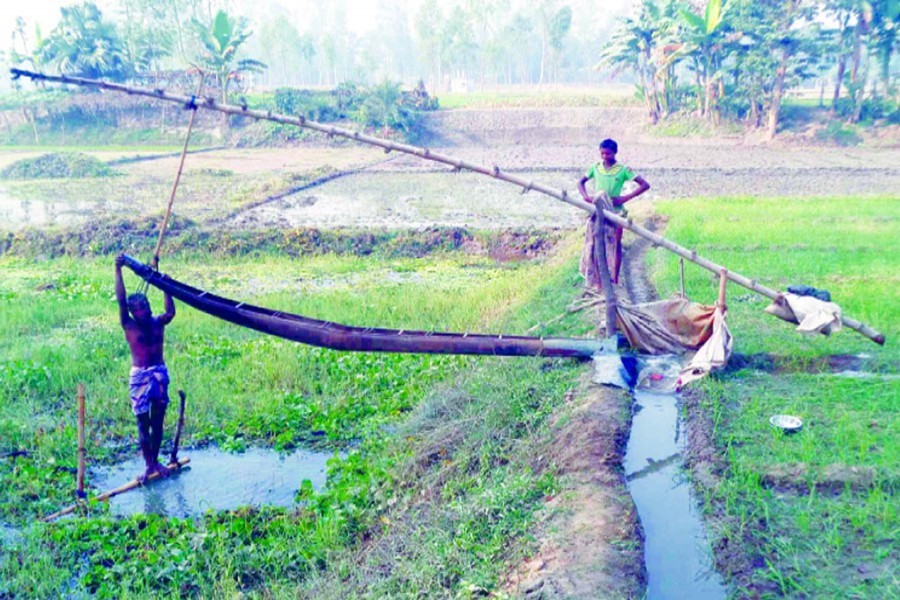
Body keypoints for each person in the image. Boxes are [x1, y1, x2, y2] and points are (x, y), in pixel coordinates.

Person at [115, 254, 176, 483]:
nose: (145, 310)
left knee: (158, 421)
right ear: (132, 311)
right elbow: (120, 300)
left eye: (146, 306)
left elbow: (170, 313)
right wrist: (118, 270)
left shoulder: (157, 322)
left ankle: (156, 460)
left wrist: (166, 286)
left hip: (159, 373)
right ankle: (149, 464)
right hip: (140, 376)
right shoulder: (128, 325)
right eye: (139, 308)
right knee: (143, 422)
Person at [578, 138, 651, 286]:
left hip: (617, 212)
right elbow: (580, 182)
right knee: (596, 244)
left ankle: (615, 279)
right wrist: (586, 197)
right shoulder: (595, 168)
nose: (605, 157)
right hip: (599, 211)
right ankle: (597, 279)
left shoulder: (623, 170)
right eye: (603, 154)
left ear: (615, 153)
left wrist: (625, 198)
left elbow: (645, 185)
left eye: (608, 154)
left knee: (616, 244)